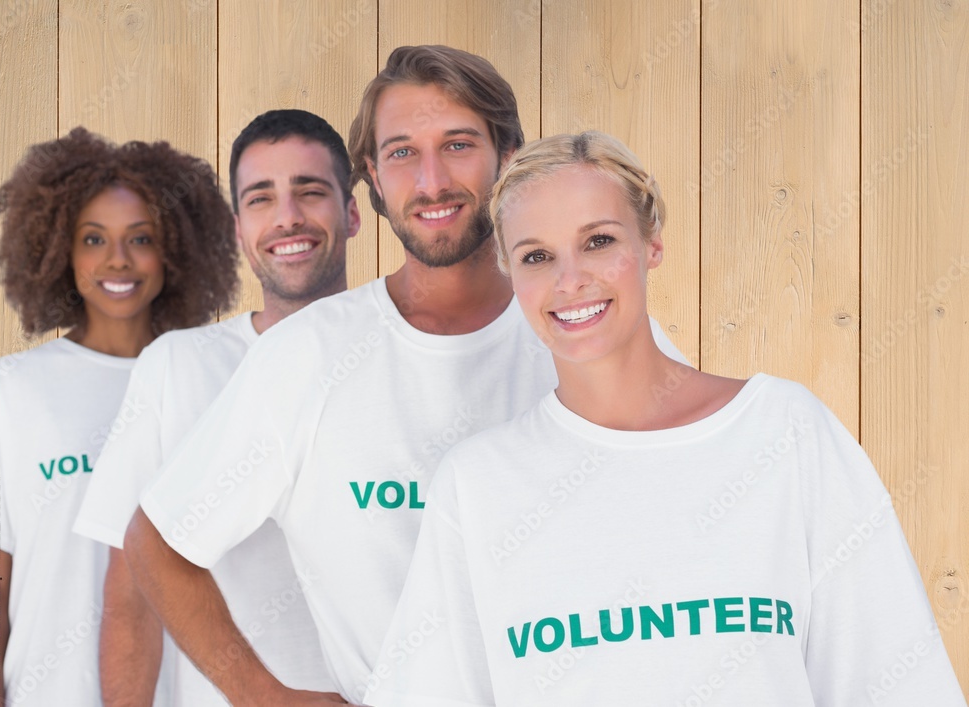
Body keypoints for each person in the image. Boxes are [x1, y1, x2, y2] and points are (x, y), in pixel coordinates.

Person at [122, 45, 687, 705]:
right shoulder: (307, 358)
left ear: (507, 157)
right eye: (401, 153)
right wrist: (261, 693)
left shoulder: (596, 328)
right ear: (372, 178)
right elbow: (157, 540)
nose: (431, 182)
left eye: (457, 145)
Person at [363, 131, 969, 707]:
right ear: (510, 274)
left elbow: (896, 682)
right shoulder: (478, 485)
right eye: (536, 255)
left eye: (598, 241)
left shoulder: (784, 435)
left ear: (650, 243)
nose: (570, 279)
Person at [72, 110, 356, 705]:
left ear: (352, 212)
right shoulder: (177, 368)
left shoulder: (403, 355)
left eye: (310, 191)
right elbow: (130, 596)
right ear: (236, 229)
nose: (287, 217)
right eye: (261, 198)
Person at [0, 127, 238, 706]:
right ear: (58, 250)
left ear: (176, 248)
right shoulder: (8, 390)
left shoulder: (216, 383)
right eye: (94, 239)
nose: (117, 259)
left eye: (140, 238)